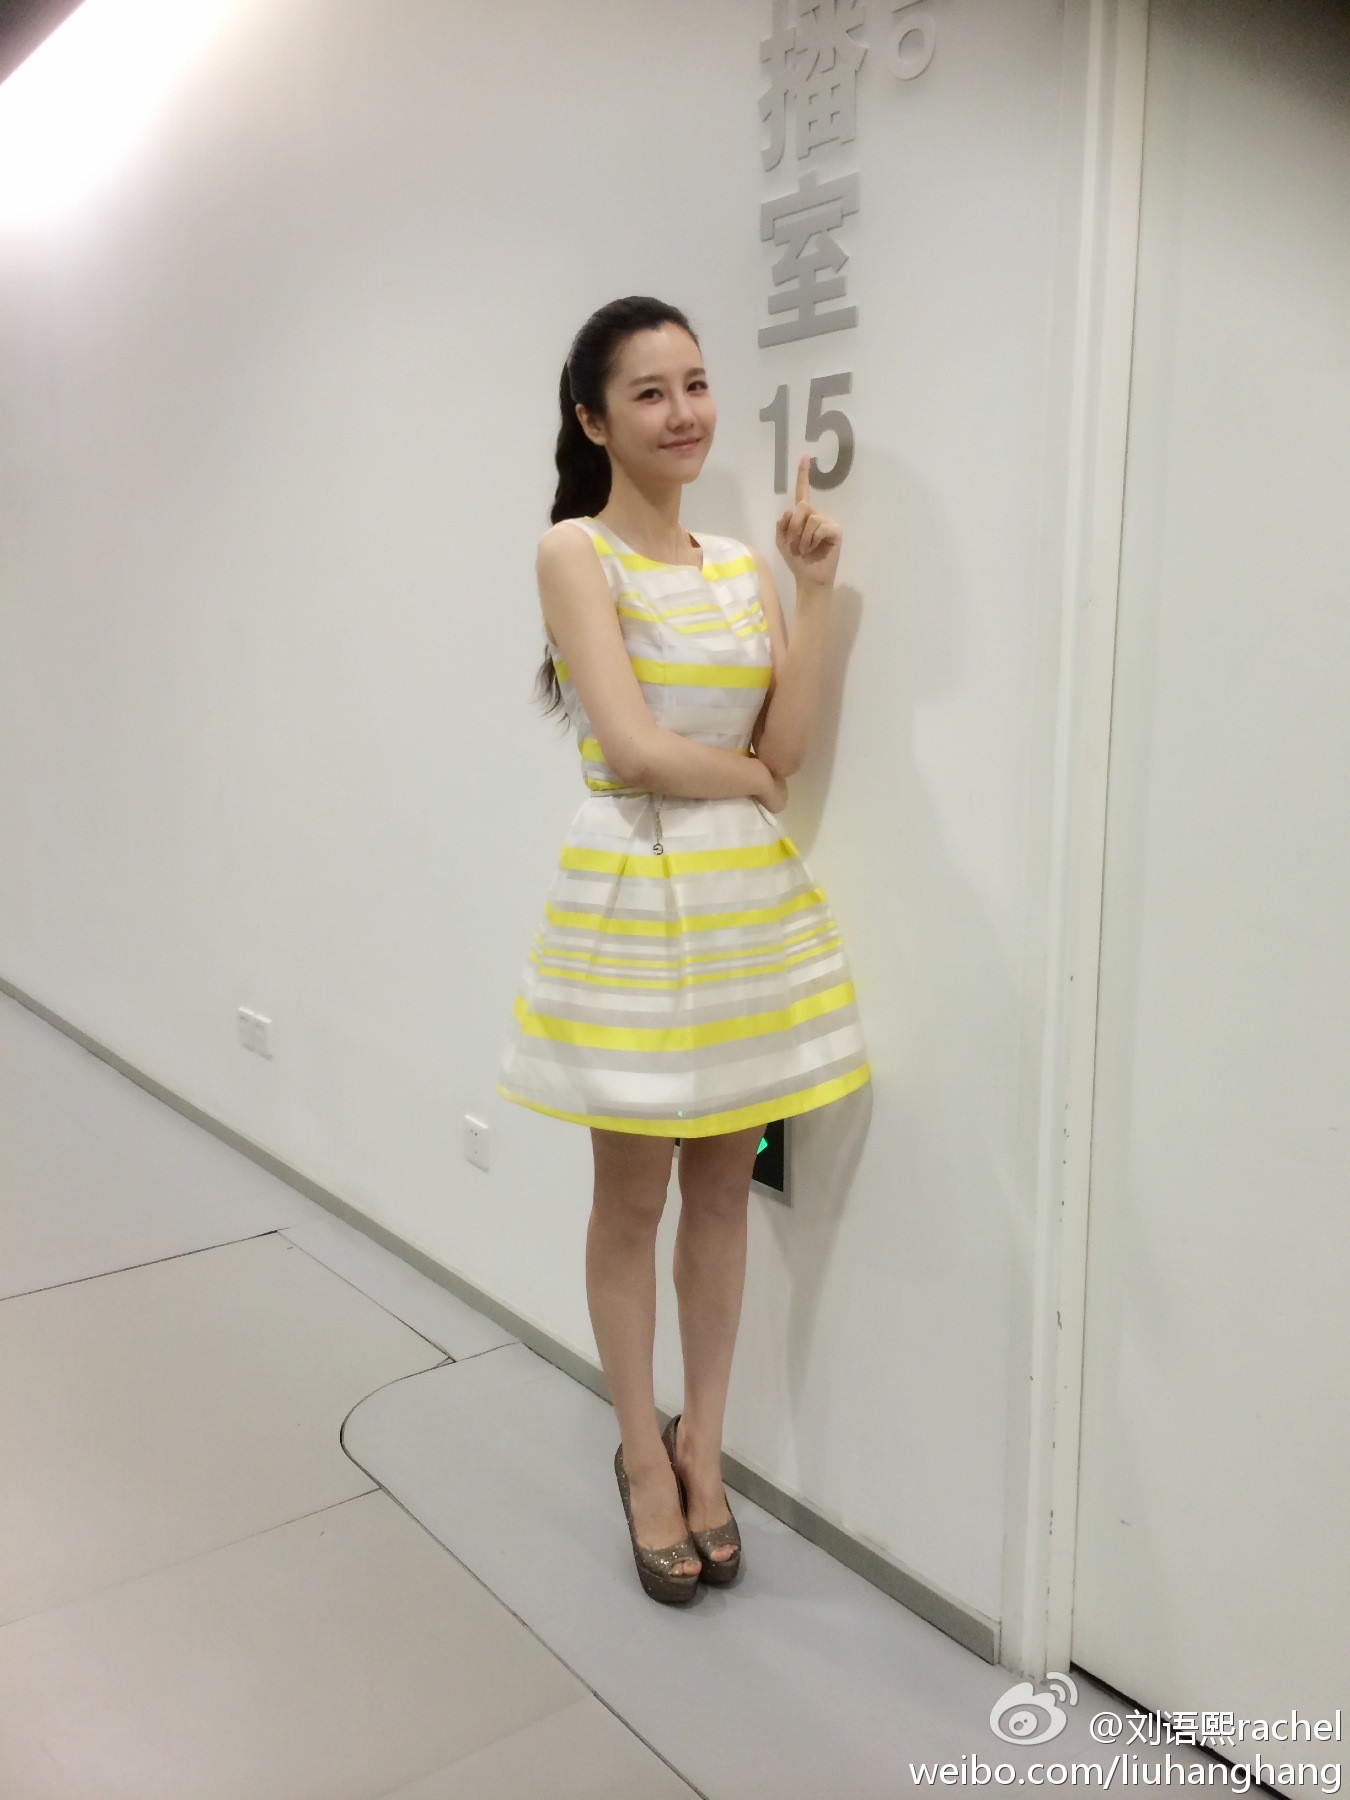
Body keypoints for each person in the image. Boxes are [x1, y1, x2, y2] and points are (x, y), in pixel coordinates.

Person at [497, 294, 870, 1604]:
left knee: (721, 1192)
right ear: (594, 421)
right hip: (636, 898)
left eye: (696, 384)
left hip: (740, 911)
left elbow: (784, 750)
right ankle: (640, 1457)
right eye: (649, 392)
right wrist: (749, 781)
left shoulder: (741, 565)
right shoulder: (574, 552)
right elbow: (634, 749)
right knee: (632, 1200)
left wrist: (810, 595)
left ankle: (701, 1448)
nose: (683, 412)